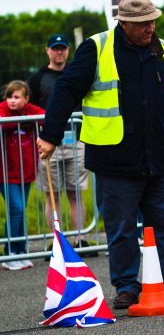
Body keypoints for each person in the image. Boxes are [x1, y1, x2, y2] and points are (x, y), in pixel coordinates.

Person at [36, 0, 164, 309]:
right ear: (123, 22)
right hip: (116, 160)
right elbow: (67, 90)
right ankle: (126, 285)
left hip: (160, 156)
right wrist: (51, 135)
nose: (150, 27)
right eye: (142, 23)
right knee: (121, 229)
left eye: (152, 20)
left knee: (162, 225)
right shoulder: (97, 47)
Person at [27, 34, 95, 257]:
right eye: (55, 48)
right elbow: (29, 109)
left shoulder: (77, 74)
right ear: (47, 50)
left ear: (68, 50)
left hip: (76, 141)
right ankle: (56, 240)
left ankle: (80, 239)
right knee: (52, 194)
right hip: (48, 144)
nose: (59, 52)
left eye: (63, 48)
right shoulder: (37, 78)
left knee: (75, 192)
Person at [0, 81, 45, 270]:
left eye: (17, 97)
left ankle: (20, 250)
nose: (11, 100)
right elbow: (3, 125)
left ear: (26, 99)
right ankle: (8, 252)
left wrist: (24, 116)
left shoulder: (30, 109)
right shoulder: (3, 110)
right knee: (16, 209)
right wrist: (21, 119)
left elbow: (45, 117)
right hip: (5, 173)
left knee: (21, 209)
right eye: (9, 96)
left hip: (26, 172)